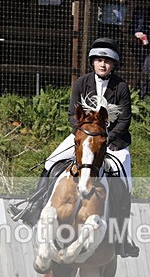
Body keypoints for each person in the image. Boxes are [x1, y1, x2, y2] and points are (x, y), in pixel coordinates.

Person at [9, 37, 140, 258]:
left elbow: (125, 120)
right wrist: (84, 134)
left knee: (125, 182)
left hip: (113, 142)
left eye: (107, 61)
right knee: (51, 161)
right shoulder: (81, 83)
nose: (103, 64)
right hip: (83, 137)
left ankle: (122, 235)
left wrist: (105, 138)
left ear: (114, 65)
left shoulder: (121, 87)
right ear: (93, 62)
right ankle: (33, 205)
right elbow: (72, 114)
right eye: (99, 60)